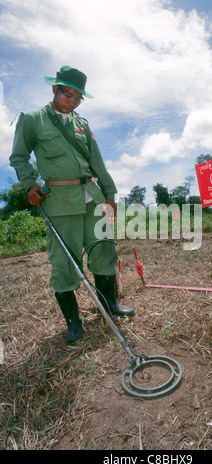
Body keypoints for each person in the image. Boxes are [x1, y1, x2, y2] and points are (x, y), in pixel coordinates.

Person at [9, 65, 134, 344]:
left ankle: (109, 306)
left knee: (104, 251)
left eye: (79, 98)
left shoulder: (83, 124)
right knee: (65, 263)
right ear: (55, 89)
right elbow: (19, 157)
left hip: (93, 196)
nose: (73, 102)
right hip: (60, 202)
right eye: (68, 95)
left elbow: (97, 162)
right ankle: (74, 322)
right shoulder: (32, 120)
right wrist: (30, 184)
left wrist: (110, 194)